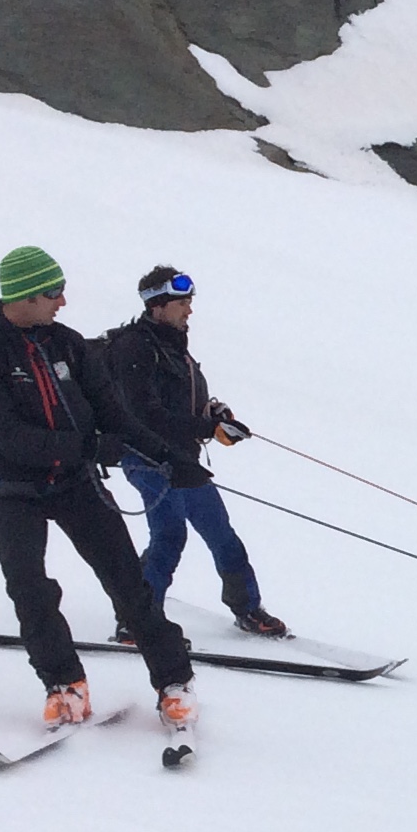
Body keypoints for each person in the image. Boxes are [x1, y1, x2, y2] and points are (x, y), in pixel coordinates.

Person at [0, 246, 196, 735]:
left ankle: (174, 682)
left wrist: (169, 457)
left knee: (128, 583)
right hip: (12, 489)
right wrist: (88, 447)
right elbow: (6, 434)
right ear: (24, 296)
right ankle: (64, 685)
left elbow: (112, 413)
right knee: (30, 591)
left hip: (75, 483)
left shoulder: (67, 344)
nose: (63, 302)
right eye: (53, 293)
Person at [99, 265, 287, 638]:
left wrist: (214, 415)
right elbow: (144, 414)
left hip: (183, 460)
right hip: (147, 459)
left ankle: (248, 608)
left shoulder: (173, 345)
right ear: (157, 305)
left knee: (221, 533)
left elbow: (179, 403)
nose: (189, 310)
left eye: (189, 301)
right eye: (182, 302)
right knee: (169, 535)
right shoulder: (133, 348)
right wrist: (207, 428)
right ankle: (137, 620)